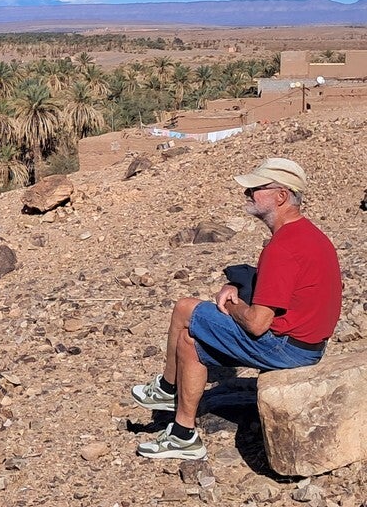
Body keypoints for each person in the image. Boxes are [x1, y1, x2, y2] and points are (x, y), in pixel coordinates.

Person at [131, 158, 342, 459]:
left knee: (185, 308)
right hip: (310, 345)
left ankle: (166, 388)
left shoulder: (282, 247)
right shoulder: (308, 235)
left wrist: (233, 305)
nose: (247, 194)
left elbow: (257, 324)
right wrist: (240, 287)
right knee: (189, 342)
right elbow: (288, 287)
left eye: (255, 189)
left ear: (281, 196)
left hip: (288, 349)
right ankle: (182, 435)